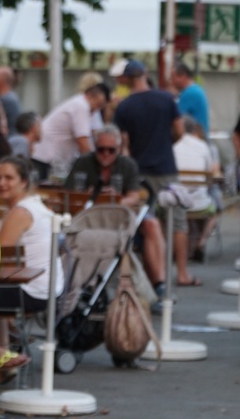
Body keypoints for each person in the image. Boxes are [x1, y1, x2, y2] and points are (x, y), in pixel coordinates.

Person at [113, 60, 199, 287]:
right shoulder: (166, 99)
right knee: (177, 221)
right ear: (145, 74)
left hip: (139, 171)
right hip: (166, 168)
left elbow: (124, 144)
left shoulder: (124, 106)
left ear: (126, 80)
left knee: (146, 222)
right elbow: (179, 131)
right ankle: (182, 273)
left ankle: (153, 274)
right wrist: (166, 144)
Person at [67, 124, 167, 299]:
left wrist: (114, 200)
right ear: (95, 148)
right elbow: (69, 194)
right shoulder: (83, 163)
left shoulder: (127, 164)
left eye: (111, 150)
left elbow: (134, 196)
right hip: (90, 216)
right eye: (101, 149)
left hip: (121, 214)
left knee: (152, 224)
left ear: (118, 149)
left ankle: (159, 282)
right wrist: (88, 196)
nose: (106, 154)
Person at [0, 155, 64, 353]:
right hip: (50, 289)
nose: (1, 183)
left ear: (23, 182)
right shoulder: (36, 205)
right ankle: (2, 352)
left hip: (31, 291)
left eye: (9, 178)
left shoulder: (20, 212)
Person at [33, 80, 109, 183]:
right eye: (97, 105)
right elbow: (83, 142)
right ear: (90, 96)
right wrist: (94, 168)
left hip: (50, 158)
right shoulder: (81, 106)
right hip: (46, 158)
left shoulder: (78, 103)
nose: (96, 110)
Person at [174, 116, 221, 261]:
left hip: (178, 202)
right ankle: (201, 242)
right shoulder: (203, 146)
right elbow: (210, 174)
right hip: (200, 203)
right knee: (213, 211)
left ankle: (182, 248)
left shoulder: (174, 147)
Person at [171, 62, 210, 137]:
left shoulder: (189, 93)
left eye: (173, 78)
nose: (172, 82)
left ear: (183, 76)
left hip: (194, 138)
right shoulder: (196, 89)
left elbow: (176, 119)